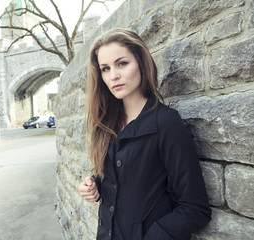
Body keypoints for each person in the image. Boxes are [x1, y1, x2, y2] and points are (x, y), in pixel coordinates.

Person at [78, 28, 211, 240]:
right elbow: (127, 180)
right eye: (105, 68)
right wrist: (95, 185)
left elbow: (195, 208)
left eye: (122, 63)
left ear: (140, 62)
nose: (114, 76)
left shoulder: (166, 122)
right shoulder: (107, 124)